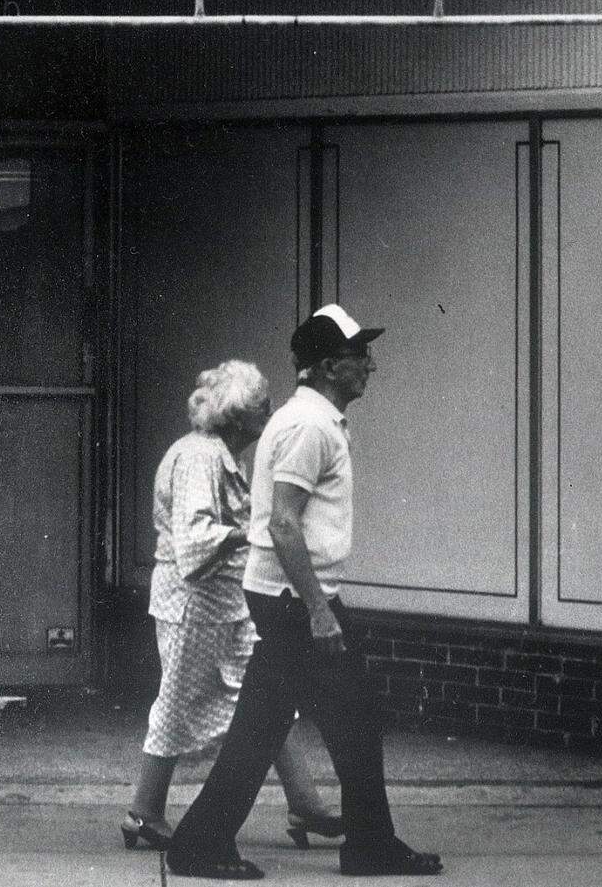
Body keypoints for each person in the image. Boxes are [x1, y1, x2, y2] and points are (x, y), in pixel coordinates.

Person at [166, 305, 442, 882]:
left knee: (310, 720)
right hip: (296, 599)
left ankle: (208, 843)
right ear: (324, 367)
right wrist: (320, 611)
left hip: (289, 595)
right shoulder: (309, 427)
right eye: (356, 355)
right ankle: (357, 846)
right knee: (319, 721)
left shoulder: (314, 420)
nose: (369, 364)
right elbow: (284, 524)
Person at [122, 358, 342, 854]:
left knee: (269, 695)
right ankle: (144, 811)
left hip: (223, 605)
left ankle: (306, 803)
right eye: (260, 405)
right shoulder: (199, 457)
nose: (267, 412)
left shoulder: (222, 457)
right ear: (237, 414)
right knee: (179, 704)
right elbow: (194, 539)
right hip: (194, 606)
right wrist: (252, 531)